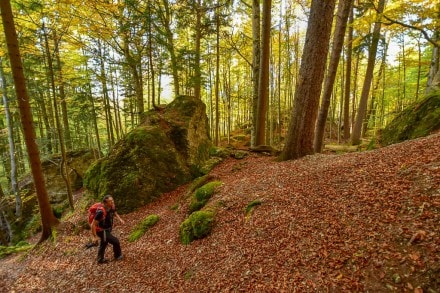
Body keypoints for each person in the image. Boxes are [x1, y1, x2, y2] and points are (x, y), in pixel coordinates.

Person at [90, 195, 125, 263]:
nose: (112, 202)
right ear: (105, 203)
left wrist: (120, 219)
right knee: (115, 241)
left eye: (112, 200)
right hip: (101, 230)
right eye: (110, 201)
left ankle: (100, 259)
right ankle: (118, 256)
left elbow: (115, 212)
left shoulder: (111, 206)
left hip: (107, 229)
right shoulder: (100, 212)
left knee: (104, 243)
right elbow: (93, 225)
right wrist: (95, 237)